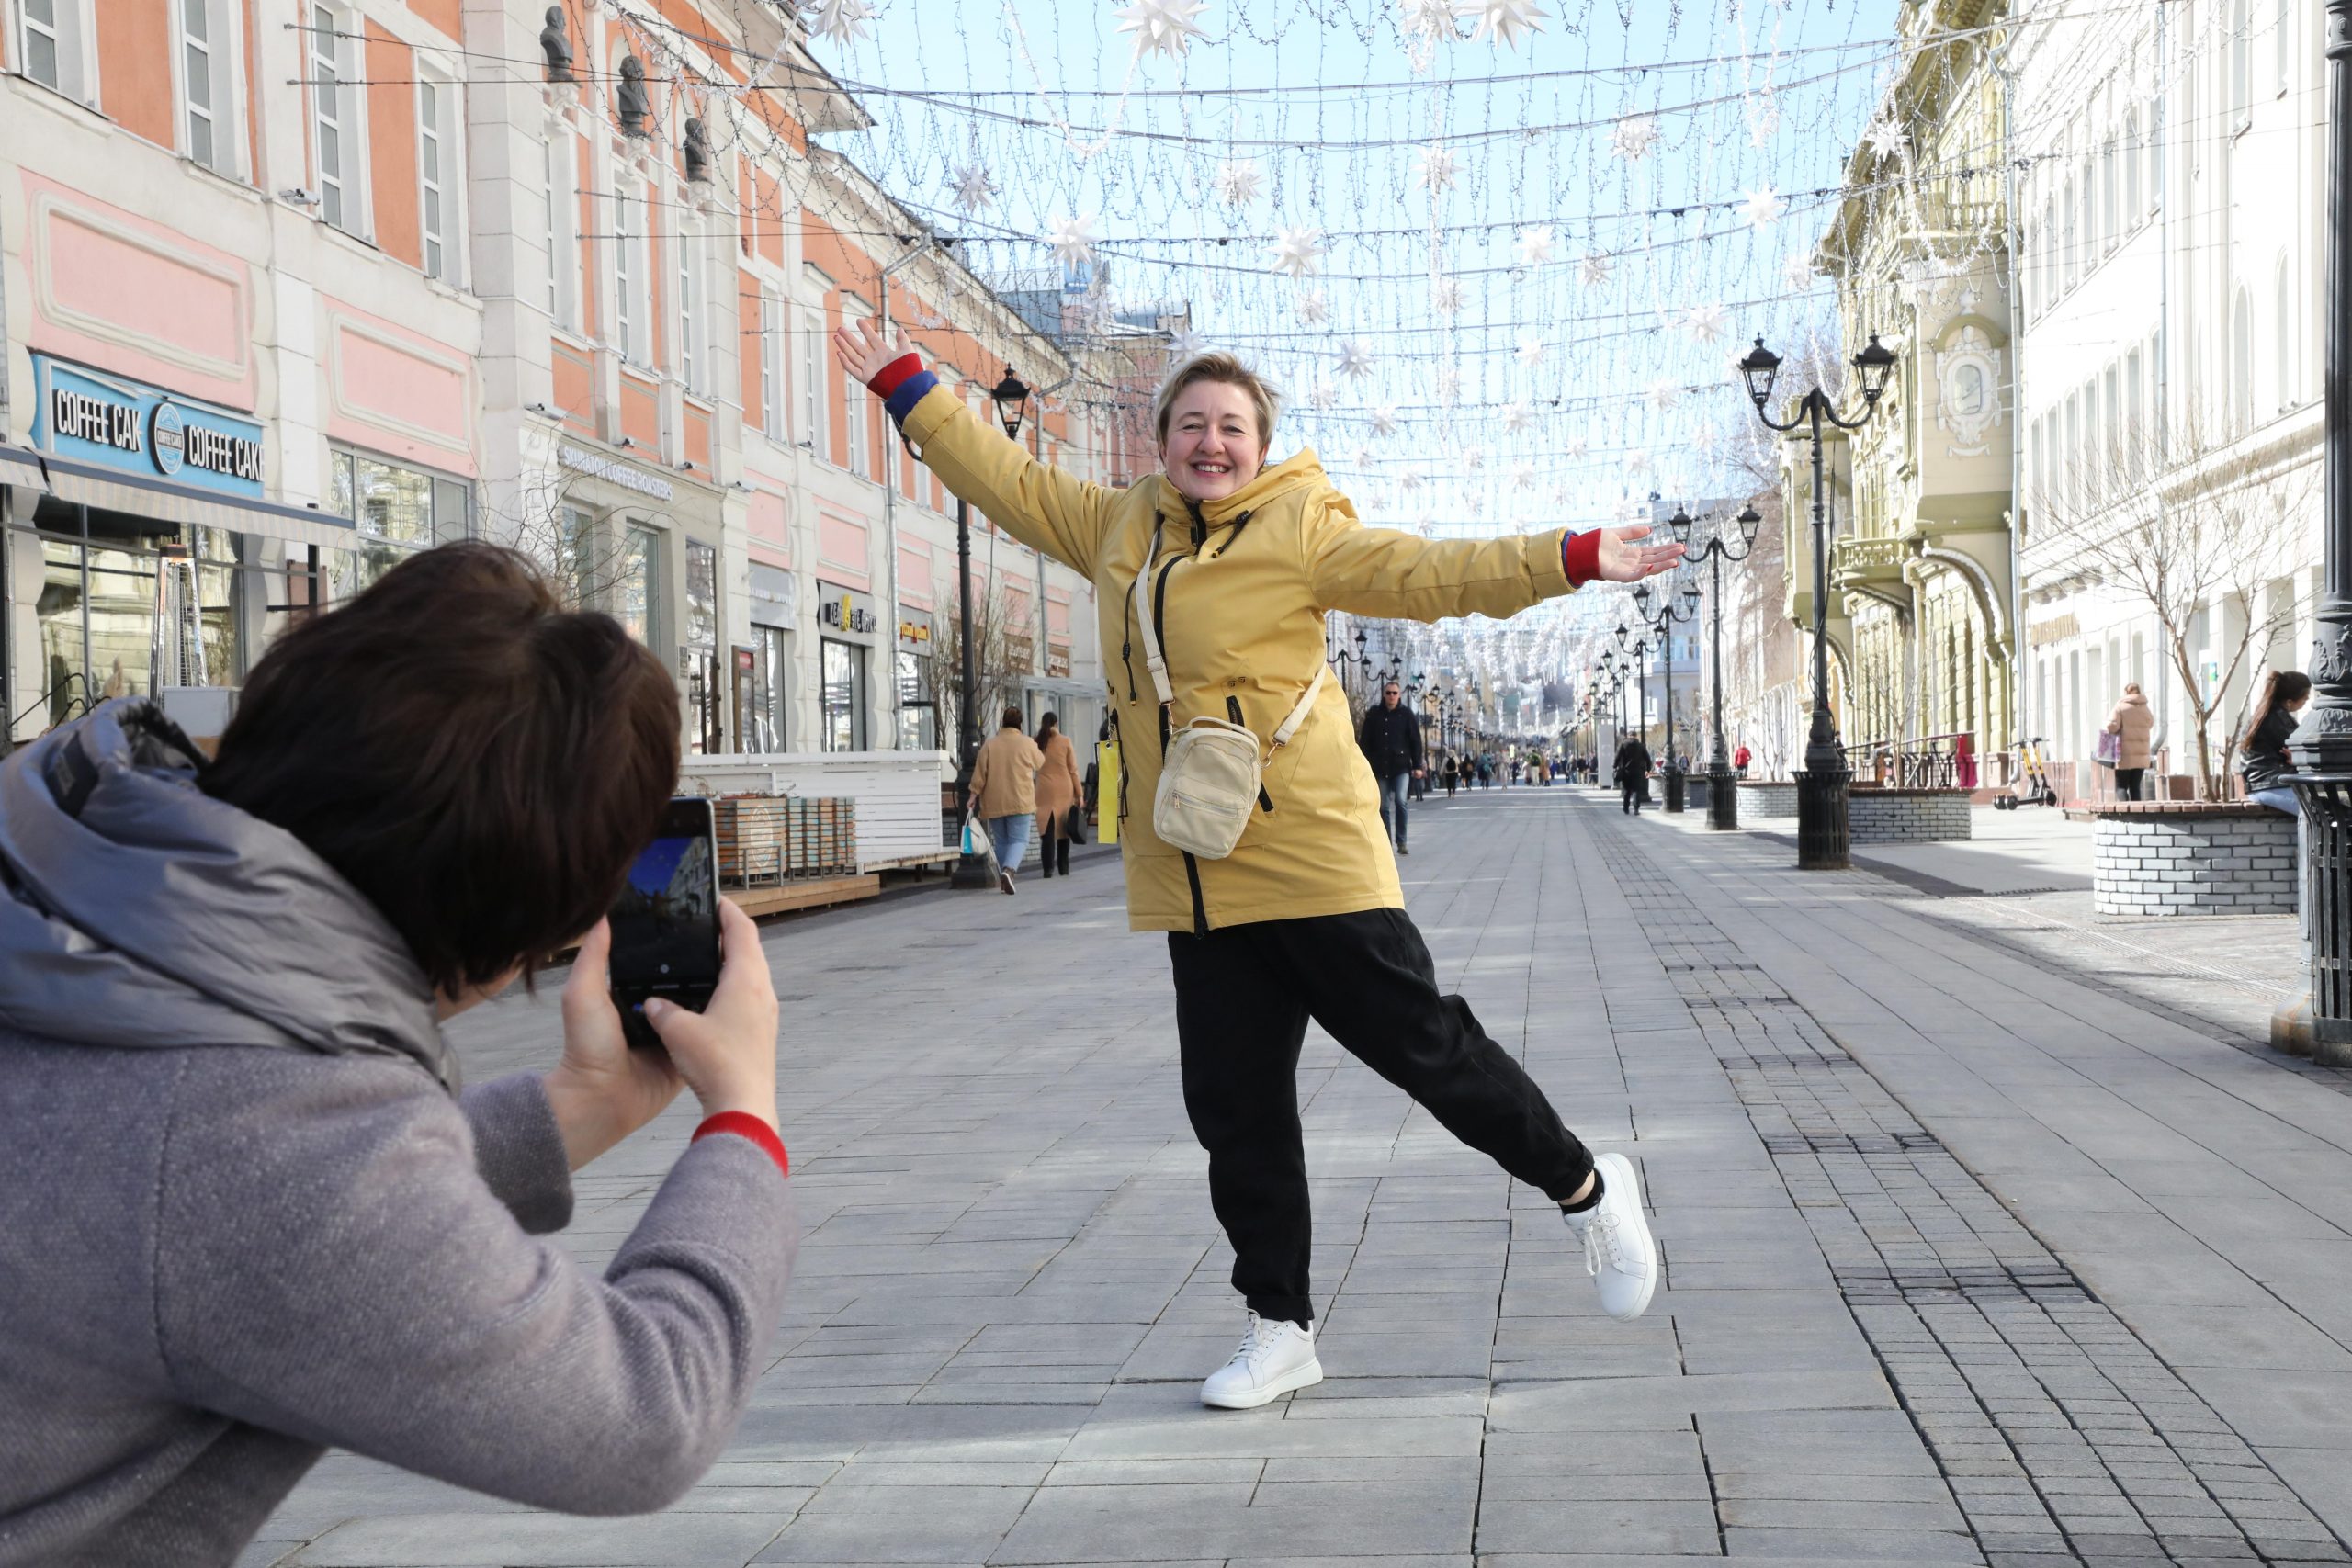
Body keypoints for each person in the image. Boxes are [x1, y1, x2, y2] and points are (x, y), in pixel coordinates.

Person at [835, 324, 1682, 1410]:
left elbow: (1427, 575)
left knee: (1428, 1053)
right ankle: (1278, 1327)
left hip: (1311, 859)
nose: (1210, 442)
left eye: (1231, 427)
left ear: (1260, 444)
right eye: (1190, 424)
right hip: (1195, 868)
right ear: (1160, 440)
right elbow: (1002, 477)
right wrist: (914, 390)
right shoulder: (1115, 525)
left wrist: (1568, 554)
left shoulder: (1300, 527)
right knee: (1236, 1113)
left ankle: (1587, 1187)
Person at [0, 545, 794, 1568]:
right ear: (515, 925)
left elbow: (195, 1207)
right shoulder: (264, 1136)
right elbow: (645, 1418)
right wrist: (744, 1120)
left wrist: (579, 1105)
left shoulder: (79, 909)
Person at [969, 706, 1045, 893]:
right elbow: (1040, 762)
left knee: (1002, 842)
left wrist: (973, 795)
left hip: (994, 801)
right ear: (1020, 724)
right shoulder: (1026, 743)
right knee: (1020, 839)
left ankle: (1005, 879)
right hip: (1020, 800)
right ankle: (1009, 871)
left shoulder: (990, 744)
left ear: (1002, 722)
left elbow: (980, 773)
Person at [1358, 678, 1424, 856]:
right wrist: (1364, 763)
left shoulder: (1406, 715)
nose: (1392, 696)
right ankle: (1386, 842)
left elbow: (1416, 742)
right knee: (1383, 806)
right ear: (1384, 694)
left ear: (1399, 695)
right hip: (1380, 767)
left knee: (1401, 801)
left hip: (1401, 767)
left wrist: (1418, 766)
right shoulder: (1374, 714)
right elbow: (1365, 741)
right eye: (1389, 693)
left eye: (1395, 693)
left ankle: (1401, 841)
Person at [2241, 670, 2312, 813]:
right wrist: (2299, 759)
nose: (2308, 701)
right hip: (2271, 785)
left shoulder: (2270, 714)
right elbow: (2300, 750)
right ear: (2289, 701)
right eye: (2305, 698)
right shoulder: (2277, 719)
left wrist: (2297, 758)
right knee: (2317, 814)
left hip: (2268, 784)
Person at [1034, 710, 1084, 879]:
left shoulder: (1037, 741)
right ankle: (1064, 868)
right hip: (1064, 788)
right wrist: (1080, 794)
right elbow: (1073, 770)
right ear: (1056, 724)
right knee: (1064, 829)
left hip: (1044, 789)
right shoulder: (1065, 741)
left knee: (1047, 830)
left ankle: (1048, 870)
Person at [2103, 683, 2155, 802]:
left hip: (2124, 754)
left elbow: (2111, 726)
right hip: (2141, 755)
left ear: (2126, 693)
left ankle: (2126, 813)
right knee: (2135, 787)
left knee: (2121, 787)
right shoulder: (2146, 709)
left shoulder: (2120, 707)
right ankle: (2137, 816)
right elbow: (2150, 724)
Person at [1614, 733, 1654, 815]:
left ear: (1629, 736)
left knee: (1627, 790)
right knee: (1636, 790)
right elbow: (1648, 759)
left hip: (1626, 771)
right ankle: (1636, 809)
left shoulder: (1623, 745)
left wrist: (1615, 766)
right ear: (1636, 736)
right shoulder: (1640, 746)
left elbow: (1617, 757)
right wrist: (1648, 769)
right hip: (1638, 771)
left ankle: (1626, 808)